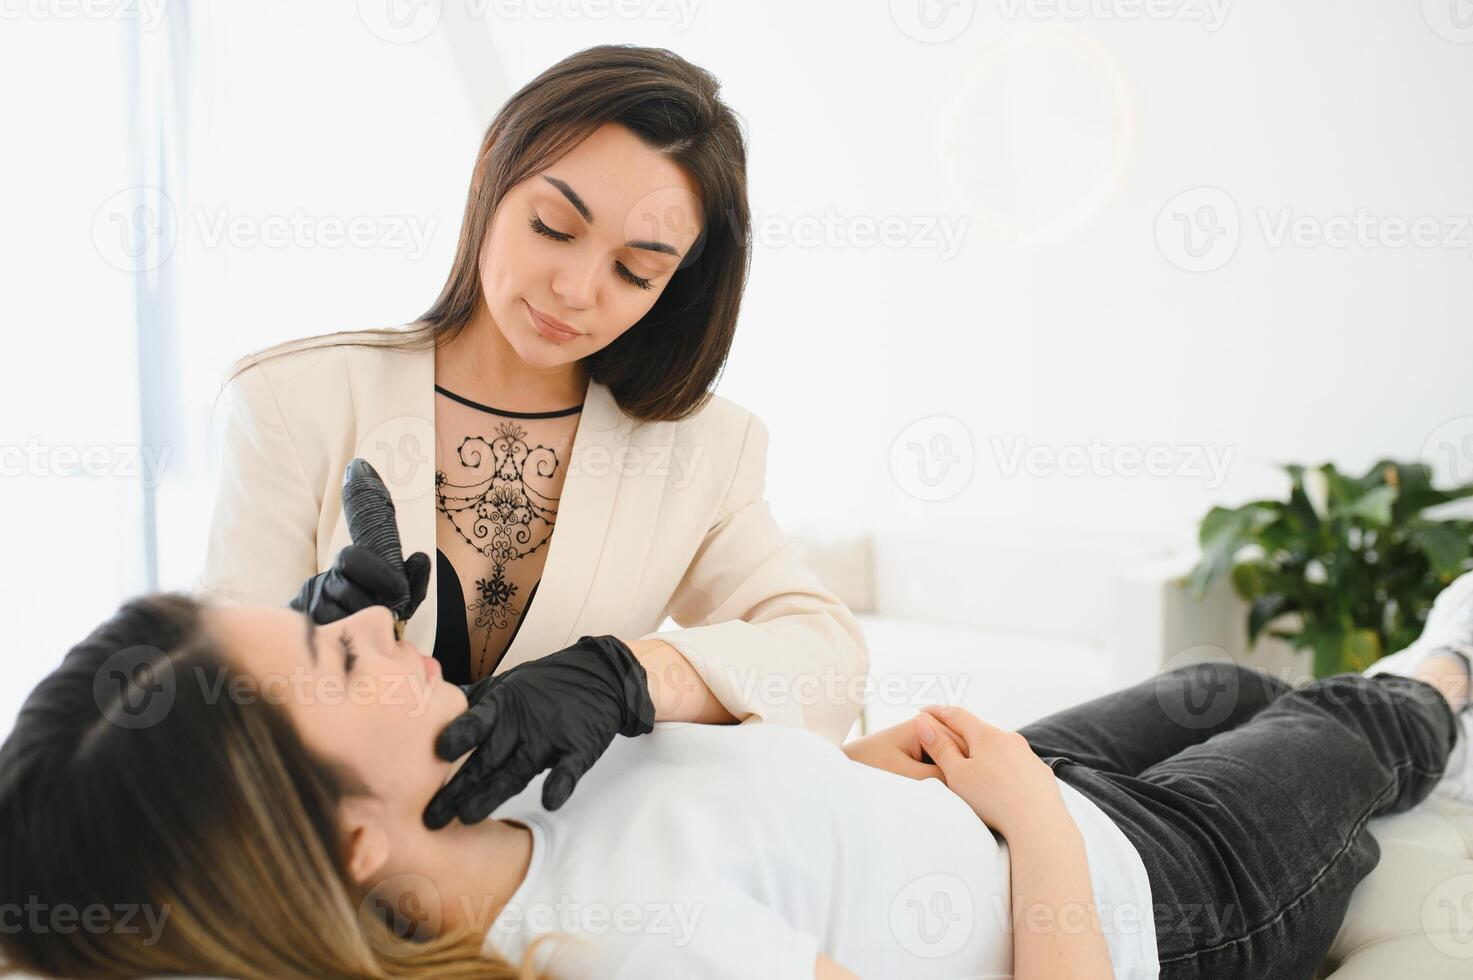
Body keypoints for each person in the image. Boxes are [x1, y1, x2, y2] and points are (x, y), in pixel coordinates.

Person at [2, 593, 1467, 979]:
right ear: (345, 843)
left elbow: (736, 829)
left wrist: (846, 784)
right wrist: (1023, 818)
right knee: (1360, 729)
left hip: (999, 809)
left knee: (1216, 689)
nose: (384, 622)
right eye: (336, 657)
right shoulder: (638, 951)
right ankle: (1448, 663)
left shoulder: (487, 799)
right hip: (1152, 900)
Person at [196, 44, 869, 828]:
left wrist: (625, 678)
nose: (576, 290)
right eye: (553, 227)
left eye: (635, 273)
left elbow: (828, 660)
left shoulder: (700, 454)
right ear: (490, 174)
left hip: (553, 892)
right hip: (323, 875)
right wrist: (294, 648)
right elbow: (202, 729)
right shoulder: (291, 400)